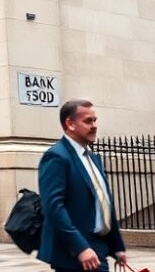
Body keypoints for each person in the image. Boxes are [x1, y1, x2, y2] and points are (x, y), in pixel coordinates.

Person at [37, 99, 126, 272]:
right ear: (70, 124)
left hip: (98, 248)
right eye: (88, 121)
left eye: (95, 120)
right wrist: (80, 247)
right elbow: (54, 208)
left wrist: (116, 247)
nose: (94, 126)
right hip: (74, 254)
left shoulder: (93, 158)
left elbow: (104, 203)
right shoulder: (56, 157)